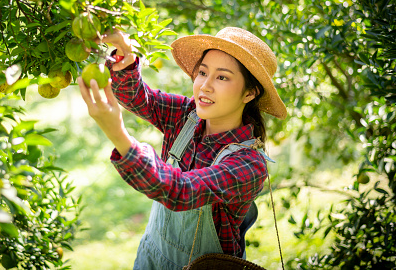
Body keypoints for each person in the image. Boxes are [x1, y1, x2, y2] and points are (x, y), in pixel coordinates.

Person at [78, 27, 287, 270]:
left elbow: (180, 190)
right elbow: (138, 98)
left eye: (222, 77)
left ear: (250, 93)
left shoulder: (248, 164)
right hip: (150, 259)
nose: (204, 86)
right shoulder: (186, 115)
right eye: (202, 72)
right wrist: (127, 59)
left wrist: (117, 134)